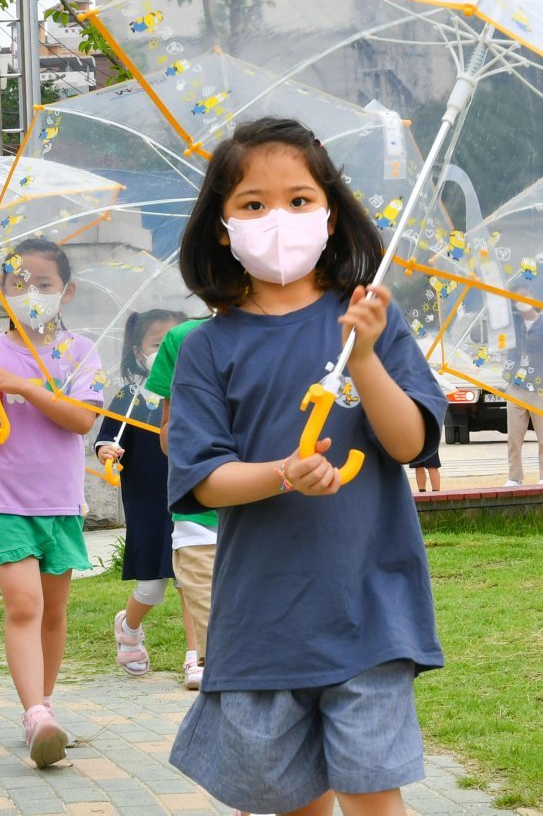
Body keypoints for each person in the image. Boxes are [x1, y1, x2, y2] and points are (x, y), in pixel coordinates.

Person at [165, 117, 447, 816]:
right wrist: (283, 473)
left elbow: (411, 443)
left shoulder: (369, 320)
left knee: (373, 795)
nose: (279, 219)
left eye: (298, 200)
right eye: (252, 204)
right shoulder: (205, 348)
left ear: (330, 211)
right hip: (263, 622)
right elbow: (204, 478)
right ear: (222, 228)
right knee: (285, 803)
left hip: (371, 612)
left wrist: (370, 356)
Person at [0, 237, 104, 770]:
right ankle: (36, 713)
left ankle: (44, 704)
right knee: (23, 605)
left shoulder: (83, 350)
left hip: (61, 501)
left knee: (54, 611)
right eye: (19, 284)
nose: (32, 293)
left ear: (67, 291)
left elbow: (81, 420)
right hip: (4, 500)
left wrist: (24, 384)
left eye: (44, 284)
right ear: (2, 291)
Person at [95, 308, 192, 678]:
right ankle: (129, 628)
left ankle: (195, 656)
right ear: (139, 352)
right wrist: (108, 450)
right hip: (148, 501)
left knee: (190, 581)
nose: (169, 351)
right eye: (158, 343)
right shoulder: (130, 395)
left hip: (190, 498)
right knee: (152, 588)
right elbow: (107, 438)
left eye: (177, 344)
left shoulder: (199, 393)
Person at [146, 315, 218, 691]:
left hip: (268, 519)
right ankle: (197, 655)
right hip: (199, 519)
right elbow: (167, 433)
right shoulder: (183, 338)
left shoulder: (292, 331)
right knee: (225, 666)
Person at [503, 301, 543, 486]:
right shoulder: (513, 321)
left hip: (540, 387)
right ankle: (515, 477)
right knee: (514, 437)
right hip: (516, 387)